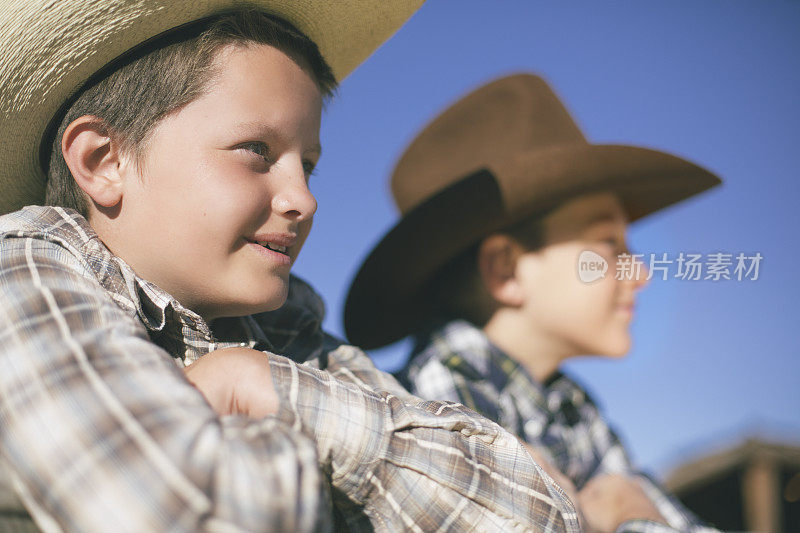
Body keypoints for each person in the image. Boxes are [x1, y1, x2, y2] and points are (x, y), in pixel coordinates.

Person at [0, 5, 580, 532]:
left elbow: (542, 513)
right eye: (256, 150)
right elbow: (184, 511)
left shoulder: (289, 336)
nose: (304, 198)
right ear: (104, 161)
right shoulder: (27, 271)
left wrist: (274, 391)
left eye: (308, 165)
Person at [344, 73, 722, 533]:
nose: (639, 274)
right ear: (506, 269)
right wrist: (631, 514)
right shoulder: (443, 412)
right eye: (609, 243)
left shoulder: (574, 410)